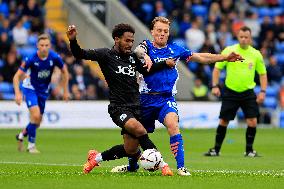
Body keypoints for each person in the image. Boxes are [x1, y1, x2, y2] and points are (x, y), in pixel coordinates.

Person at [111, 16, 243, 176]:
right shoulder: (145, 46)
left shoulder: (175, 50)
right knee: (134, 140)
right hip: (144, 99)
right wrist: (144, 55)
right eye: (159, 30)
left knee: (173, 125)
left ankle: (181, 167)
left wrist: (225, 57)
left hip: (166, 99)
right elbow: (138, 51)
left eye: (165, 31)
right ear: (152, 31)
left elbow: (200, 57)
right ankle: (132, 166)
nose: (162, 33)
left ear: (168, 34)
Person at [67, 23, 176, 175]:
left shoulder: (132, 58)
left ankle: (95, 158)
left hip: (135, 107)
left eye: (132, 41)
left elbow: (146, 70)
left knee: (130, 149)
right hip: (119, 107)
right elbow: (80, 54)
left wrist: (164, 63)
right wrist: (73, 40)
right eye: (127, 41)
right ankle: (164, 166)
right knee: (140, 130)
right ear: (117, 39)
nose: (130, 44)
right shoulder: (106, 55)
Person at [204, 26, 267, 157]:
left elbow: (262, 74)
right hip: (230, 92)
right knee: (223, 121)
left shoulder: (256, 54)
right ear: (238, 37)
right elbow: (217, 68)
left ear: (250, 38)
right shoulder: (230, 50)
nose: (244, 39)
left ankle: (249, 151)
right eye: (241, 37)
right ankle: (216, 149)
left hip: (248, 92)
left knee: (252, 121)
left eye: (246, 37)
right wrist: (215, 85)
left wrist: (263, 91)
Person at [14, 34, 70, 153]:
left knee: (38, 122)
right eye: (42, 45)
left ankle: (21, 135)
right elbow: (16, 76)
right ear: (37, 46)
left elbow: (65, 72)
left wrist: (65, 90)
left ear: (50, 46)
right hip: (30, 88)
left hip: (43, 91)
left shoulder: (54, 57)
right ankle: (31, 146)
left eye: (46, 45)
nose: (44, 48)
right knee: (35, 116)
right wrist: (17, 93)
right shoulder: (31, 59)